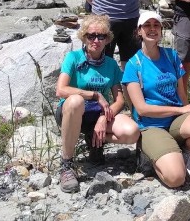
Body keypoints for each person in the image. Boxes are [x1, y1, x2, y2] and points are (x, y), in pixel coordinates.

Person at [122, 11, 190, 188]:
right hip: (151, 125)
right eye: (147, 25)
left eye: (156, 25)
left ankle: (185, 150)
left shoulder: (171, 56)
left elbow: (181, 94)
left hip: (174, 121)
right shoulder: (134, 65)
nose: (152, 29)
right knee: (176, 179)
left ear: (162, 30)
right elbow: (142, 109)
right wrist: (181, 110)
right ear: (139, 31)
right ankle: (148, 156)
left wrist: (189, 110)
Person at [55, 15, 140, 193]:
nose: (96, 40)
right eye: (91, 36)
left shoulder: (111, 64)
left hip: (98, 115)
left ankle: (94, 142)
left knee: (132, 133)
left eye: (101, 36)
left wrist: (103, 118)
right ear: (83, 38)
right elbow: (61, 90)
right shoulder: (73, 57)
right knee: (76, 101)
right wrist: (94, 95)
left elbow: (119, 100)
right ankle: (67, 164)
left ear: (107, 39)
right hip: (71, 112)